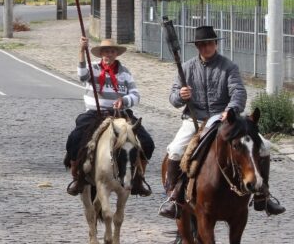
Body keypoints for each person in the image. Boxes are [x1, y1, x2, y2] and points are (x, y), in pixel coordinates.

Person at [160, 25, 285, 218]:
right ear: (197, 47)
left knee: (265, 146)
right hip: (194, 118)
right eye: (201, 45)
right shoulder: (186, 68)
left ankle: (263, 195)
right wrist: (181, 95)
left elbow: (238, 92)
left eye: (209, 44)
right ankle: (173, 197)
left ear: (216, 44)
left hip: (223, 119)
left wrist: (231, 110)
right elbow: (173, 98)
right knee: (175, 150)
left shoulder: (229, 67)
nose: (206, 48)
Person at [65, 37, 154, 197]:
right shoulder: (93, 68)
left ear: (116, 54)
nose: (109, 54)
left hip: (119, 115)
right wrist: (81, 51)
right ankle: (77, 175)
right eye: (106, 51)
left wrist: (124, 100)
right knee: (75, 138)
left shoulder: (125, 72)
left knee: (147, 142)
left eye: (112, 51)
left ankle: (138, 178)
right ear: (101, 54)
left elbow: (135, 95)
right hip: (95, 114)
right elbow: (82, 75)